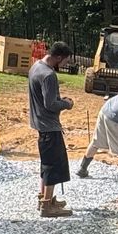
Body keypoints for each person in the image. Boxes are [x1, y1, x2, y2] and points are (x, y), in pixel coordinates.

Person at [29, 42, 76, 217]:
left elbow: (44, 99)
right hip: (49, 127)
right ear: (58, 57)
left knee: (46, 163)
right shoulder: (48, 75)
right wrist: (67, 104)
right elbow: (50, 104)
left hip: (41, 124)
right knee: (53, 166)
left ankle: (45, 198)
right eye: (65, 61)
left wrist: (59, 99)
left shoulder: (36, 67)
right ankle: (47, 206)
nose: (65, 64)